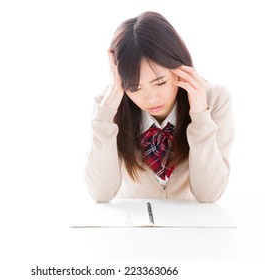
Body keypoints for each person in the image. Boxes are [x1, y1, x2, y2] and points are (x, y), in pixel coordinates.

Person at [84, 11, 234, 203]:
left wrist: (199, 115)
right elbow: (100, 194)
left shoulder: (214, 99)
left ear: (178, 65)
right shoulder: (109, 106)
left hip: (192, 229)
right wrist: (105, 117)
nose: (151, 98)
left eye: (160, 82)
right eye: (134, 88)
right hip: (133, 228)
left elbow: (209, 194)